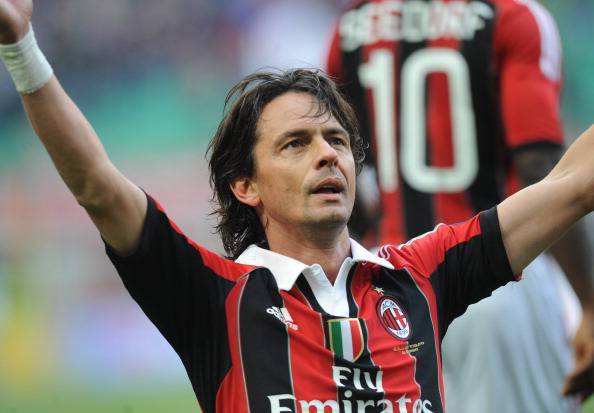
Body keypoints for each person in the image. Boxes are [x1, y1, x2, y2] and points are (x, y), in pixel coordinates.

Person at [0, 2, 592, 413]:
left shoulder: (420, 275)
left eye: (337, 140)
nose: (327, 155)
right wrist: (22, 49)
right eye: (295, 144)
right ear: (245, 186)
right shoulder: (216, 299)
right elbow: (97, 186)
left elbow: (572, 185)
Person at [325, 0, 594, 410]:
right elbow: (537, 166)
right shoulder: (510, 15)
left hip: (387, 289)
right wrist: (589, 301)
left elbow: (344, 167)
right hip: (496, 277)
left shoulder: (351, 27)